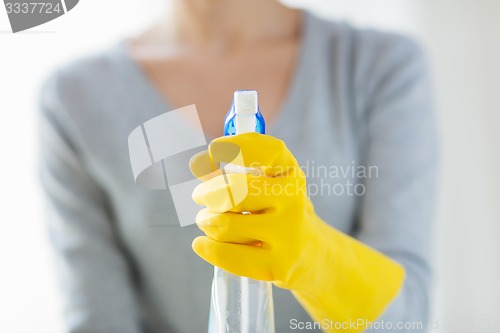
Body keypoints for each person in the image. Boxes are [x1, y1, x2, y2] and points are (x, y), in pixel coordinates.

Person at [39, 0, 437, 332]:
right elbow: (97, 321)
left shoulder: (375, 66)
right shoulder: (76, 96)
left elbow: (406, 321)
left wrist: (314, 256)